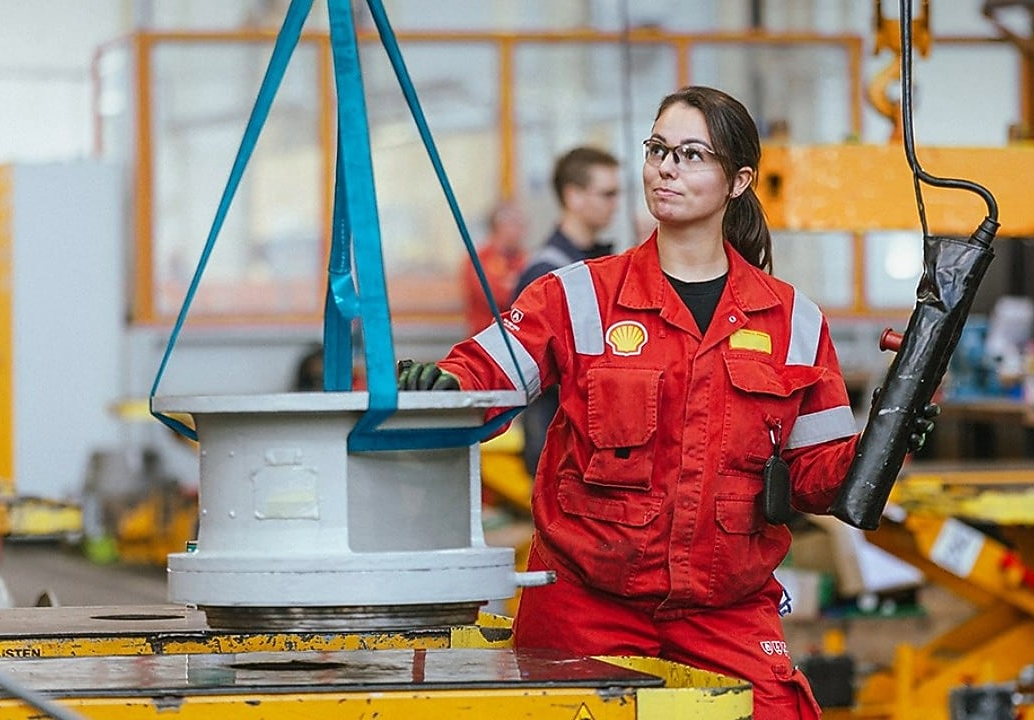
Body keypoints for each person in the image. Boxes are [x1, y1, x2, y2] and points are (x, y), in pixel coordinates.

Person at [398, 86, 936, 720]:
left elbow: (816, 477)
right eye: (657, 149)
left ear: (738, 181)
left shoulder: (793, 321)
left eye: (690, 154)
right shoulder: (577, 296)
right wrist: (446, 389)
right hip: (585, 608)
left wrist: (887, 439)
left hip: (724, 613)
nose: (666, 167)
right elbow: (485, 377)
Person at [514, 146, 621, 477]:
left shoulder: (599, 268)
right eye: (607, 193)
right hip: (560, 448)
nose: (615, 204)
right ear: (573, 196)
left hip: (593, 446)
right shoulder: (548, 275)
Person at [463, 200, 528, 336]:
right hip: (484, 339)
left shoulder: (524, 258)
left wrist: (512, 283)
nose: (522, 232)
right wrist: (515, 284)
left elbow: (530, 295)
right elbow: (496, 296)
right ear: (499, 226)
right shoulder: (479, 259)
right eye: (516, 225)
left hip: (516, 338)